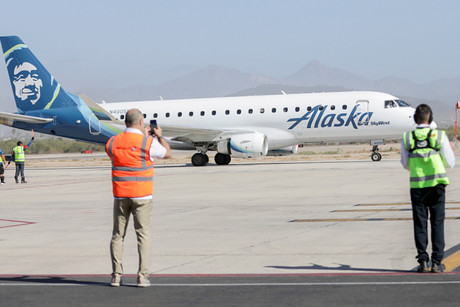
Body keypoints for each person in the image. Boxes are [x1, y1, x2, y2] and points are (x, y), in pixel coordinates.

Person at [105, 109, 171, 287]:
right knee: (143, 235)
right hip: (142, 195)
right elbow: (167, 153)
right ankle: (142, 276)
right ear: (141, 122)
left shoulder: (112, 142)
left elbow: (117, 153)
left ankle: (116, 276)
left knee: (118, 235)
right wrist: (159, 137)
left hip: (120, 195)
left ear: (125, 122)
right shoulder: (147, 142)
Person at [401, 104, 455, 273]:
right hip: (437, 186)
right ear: (430, 119)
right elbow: (450, 162)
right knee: (437, 223)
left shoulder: (407, 137)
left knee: (420, 224)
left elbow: (404, 163)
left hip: (417, 186)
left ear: (415, 119)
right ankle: (437, 262)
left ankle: (423, 261)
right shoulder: (439, 136)